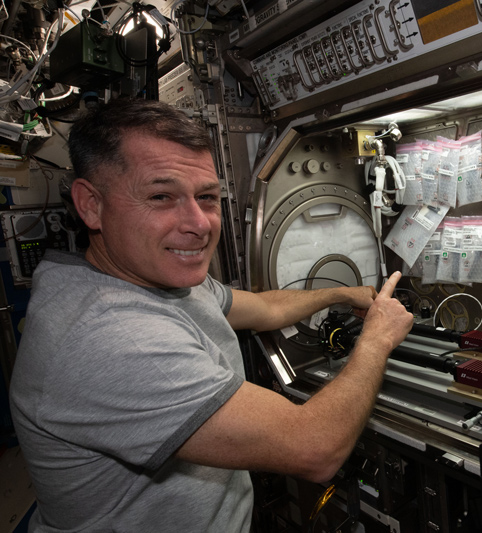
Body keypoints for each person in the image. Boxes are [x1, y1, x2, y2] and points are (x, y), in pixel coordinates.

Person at [9, 98, 414, 532]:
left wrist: (342, 293)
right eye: (161, 196)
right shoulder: (113, 337)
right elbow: (315, 447)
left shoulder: (151, 275)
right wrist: (378, 337)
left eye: (206, 197)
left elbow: (261, 308)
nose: (199, 224)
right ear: (90, 204)